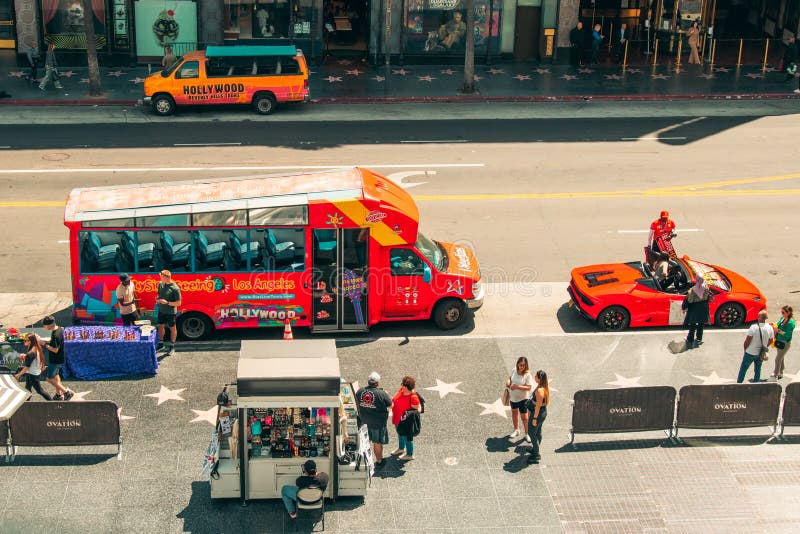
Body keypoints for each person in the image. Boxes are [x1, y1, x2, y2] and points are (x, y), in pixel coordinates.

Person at [355, 371, 392, 466]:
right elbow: (391, 405)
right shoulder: (381, 393)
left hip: (364, 421)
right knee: (377, 443)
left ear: (368, 382)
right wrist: (387, 395)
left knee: (363, 441)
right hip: (377, 423)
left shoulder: (360, 391)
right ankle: (379, 461)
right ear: (378, 383)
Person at [42, 315, 73, 400]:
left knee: (49, 378)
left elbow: (55, 349)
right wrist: (44, 340)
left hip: (55, 360)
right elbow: (54, 342)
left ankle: (66, 392)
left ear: (48, 325)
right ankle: (58, 394)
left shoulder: (55, 335)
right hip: (60, 359)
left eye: (44, 325)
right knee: (56, 375)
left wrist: (44, 344)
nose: (44, 327)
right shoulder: (60, 329)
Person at [390, 375, 421, 461]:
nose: (401, 385)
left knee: (407, 437)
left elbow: (418, 409)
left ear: (408, 387)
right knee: (400, 434)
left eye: (403, 384)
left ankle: (409, 454)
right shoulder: (402, 390)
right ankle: (401, 449)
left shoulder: (413, 397)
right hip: (397, 418)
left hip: (405, 422)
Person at [737, 310, 773, 383]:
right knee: (758, 369)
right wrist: (765, 346)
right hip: (760, 353)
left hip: (750, 352)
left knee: (743, 369)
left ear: (759, 317)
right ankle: (756, 384)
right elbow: (771, 340)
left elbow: (747, 341)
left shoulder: (753, 327)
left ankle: (739, 384)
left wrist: (745, 350)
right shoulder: (770, 327)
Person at [15, 333, 52, 401]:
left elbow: (27, 367)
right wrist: (26, 356)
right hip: (34, 372)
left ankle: (52, 403)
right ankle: (27, 402)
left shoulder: (31, 352)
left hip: (33, 373)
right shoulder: (35, 347)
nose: (24, 341)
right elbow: (34, 358)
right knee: (28, 388)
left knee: (40, 390)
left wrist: (19, 374)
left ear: (30, 341)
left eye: (26, 340)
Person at [506, 356, 533, 441]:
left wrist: (517, 386)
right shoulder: (514, 370)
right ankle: (516, 429)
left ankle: (527, 433)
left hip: (523, 399)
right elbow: (510, 378)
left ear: (526, 366)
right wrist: (508, 381)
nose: (521, 367)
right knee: (514, 413)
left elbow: (529, 387)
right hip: (513, 397)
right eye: (520, 365)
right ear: (517, 364)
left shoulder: (527, 375)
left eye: (523, 365)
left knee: (524, 417)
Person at [156, 270, 181, 356]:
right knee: (160, 326)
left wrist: (167, 302)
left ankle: (172, 346)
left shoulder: (175, 288)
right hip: (161, 311)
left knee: (172, 329)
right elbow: (159, 295)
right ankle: (161, 343)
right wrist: (158, 299)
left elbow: (178, 303)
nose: (160, 278)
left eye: (161, 276)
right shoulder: (160, 284)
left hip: (171, 312)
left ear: (166, 277)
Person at [526, 370, 549, 464]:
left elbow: (538, 406)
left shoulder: (539, 390)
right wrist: (534, 402)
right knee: (538, 431)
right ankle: (536, 448)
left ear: (539, 378)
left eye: (536, 376)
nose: (534, 377)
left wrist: (534, 418)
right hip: (542, 412)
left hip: (538, 414)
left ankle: (536, 455)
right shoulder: (544, 387)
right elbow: (542, 402)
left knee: (532, 433)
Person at [683, 278, 711, 348]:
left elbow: (689, 300)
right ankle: (699, 338)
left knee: (692, 325)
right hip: (704, 308)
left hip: (694, 309)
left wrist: (684, 307)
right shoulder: (706, 288)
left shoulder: (692, 290)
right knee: (701, 324)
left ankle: (690, 339)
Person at [772, 305, 795, 380]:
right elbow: (777, 324)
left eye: (783, 312)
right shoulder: (782, 318)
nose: (782, 314)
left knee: (777, 359)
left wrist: (777, 330)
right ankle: (780, 372)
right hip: (779, 341)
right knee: (781, 358)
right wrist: (773, 325)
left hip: (785, 343)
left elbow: (787, 335)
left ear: (788, 313)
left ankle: (775, 375)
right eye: (781, 312)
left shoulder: (791, 323)